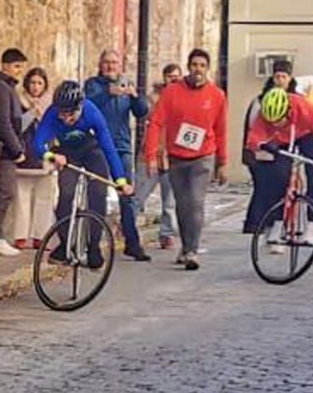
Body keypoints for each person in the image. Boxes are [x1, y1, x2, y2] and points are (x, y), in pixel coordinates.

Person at [32, 79, 134, 267]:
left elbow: (108, 147)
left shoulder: (92, 112)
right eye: (62, 114)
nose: (65, 119)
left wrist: (120, 179)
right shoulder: (52, 114)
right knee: (66, 194)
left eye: (70, 114)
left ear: (79, 108)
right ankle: (64, 245)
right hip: (67, 153)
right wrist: (50, 155)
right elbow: (38, 142)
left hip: (91, 151)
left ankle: (93, 246)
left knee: (98, 193)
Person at [143, 47, 228, 270]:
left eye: (202, 65)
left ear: (208, 69)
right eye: (194, 65)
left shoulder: (217, 95)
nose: (198, 69)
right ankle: (186, 246)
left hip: (203, 157)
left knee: (196, 202)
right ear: (188, 67)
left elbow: (221, 130)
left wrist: (222, 162)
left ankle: (192, 250)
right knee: (182, 204)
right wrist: (151, 155)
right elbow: (156, 123)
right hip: (177, 157)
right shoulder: (172, 92)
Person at [244, 86, 313, 246]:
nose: (276, 123)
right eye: (272, 121)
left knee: (312, 174)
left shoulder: (305, 108)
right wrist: (262, 144)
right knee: (279, 176)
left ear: (288, 110)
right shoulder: (264, 114)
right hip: (281, 140)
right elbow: (253, 136)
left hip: (306, 134)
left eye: (279, 119)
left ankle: (312, 225)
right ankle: (277, 221)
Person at [83, 48, 153, 261]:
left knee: (127, 196)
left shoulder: (126, 84)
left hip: (122, 148)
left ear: (119, 65)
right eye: (106, 62)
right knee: (97, 197)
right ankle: (93, 248)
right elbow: (88, 105)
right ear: (100, 64)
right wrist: (108, 93)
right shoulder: (93, 85)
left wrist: (134, 96)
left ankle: (133, 243)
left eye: (114, 62)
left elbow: (142, 112)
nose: (110, 66)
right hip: (98, 149)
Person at [0, 49, 30, 256]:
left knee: (5, 192)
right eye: (17, 66)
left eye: (21, 67)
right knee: (4, 191)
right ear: (5, 66)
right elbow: (4, 123)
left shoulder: (7, 87)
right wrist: (16, 149)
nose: (20, 72)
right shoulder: (2, 87)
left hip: (8, 148)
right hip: (5, 150)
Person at [243, 61, 298, 234]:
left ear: (290, 78)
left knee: (282, 187)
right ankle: (255, 223)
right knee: (262, 187)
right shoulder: (260, 100)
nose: (280, 80)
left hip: (285, 151)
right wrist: (250, 150)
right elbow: (251, 126)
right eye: (277, 76)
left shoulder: (296, 100)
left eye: (284, 76)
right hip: (262, 151)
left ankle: (277, 221)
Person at [134, 63, 184, 250]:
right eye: (170, 76)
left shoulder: (185, 98)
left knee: (169, 200)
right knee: (139, 194)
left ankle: (167, 234)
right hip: (150, 152)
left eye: (176, 77)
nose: (173, 80)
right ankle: (128, 228)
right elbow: (147, 115)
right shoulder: (153, 98)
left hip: (173, 154)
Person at [13, 67, 59, 248]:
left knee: (44, 198)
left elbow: (54, 130)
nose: (35, 87)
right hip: (26, 154)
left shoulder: (51, 106)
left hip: (44, 158)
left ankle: (40, 236)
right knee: (21, 197)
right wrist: (33, 113)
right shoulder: (20, 101)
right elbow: (18, 126)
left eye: (39, 83)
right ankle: (20, 236)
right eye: (32, 82)